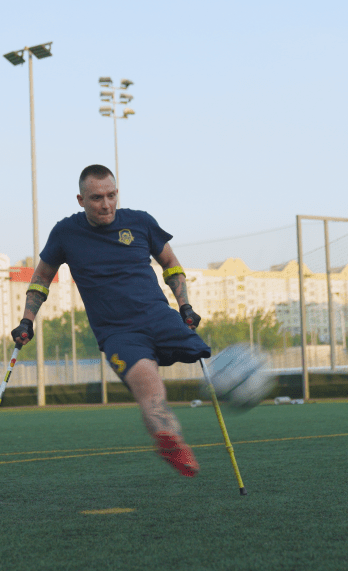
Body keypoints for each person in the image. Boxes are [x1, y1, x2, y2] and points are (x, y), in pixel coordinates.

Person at [11, 164, 210, 477]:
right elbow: (41, 278)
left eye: (111, 195)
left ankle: (240, 388)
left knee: (206, 356)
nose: (105, 204)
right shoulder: (65, 232)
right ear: (81, 200)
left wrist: (185, 305)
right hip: (118, 333)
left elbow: (170, 263)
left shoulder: (141, 222)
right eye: (96, 198)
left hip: (160, 317)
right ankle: (170, 441)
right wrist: (27, 321)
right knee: (150, 386)